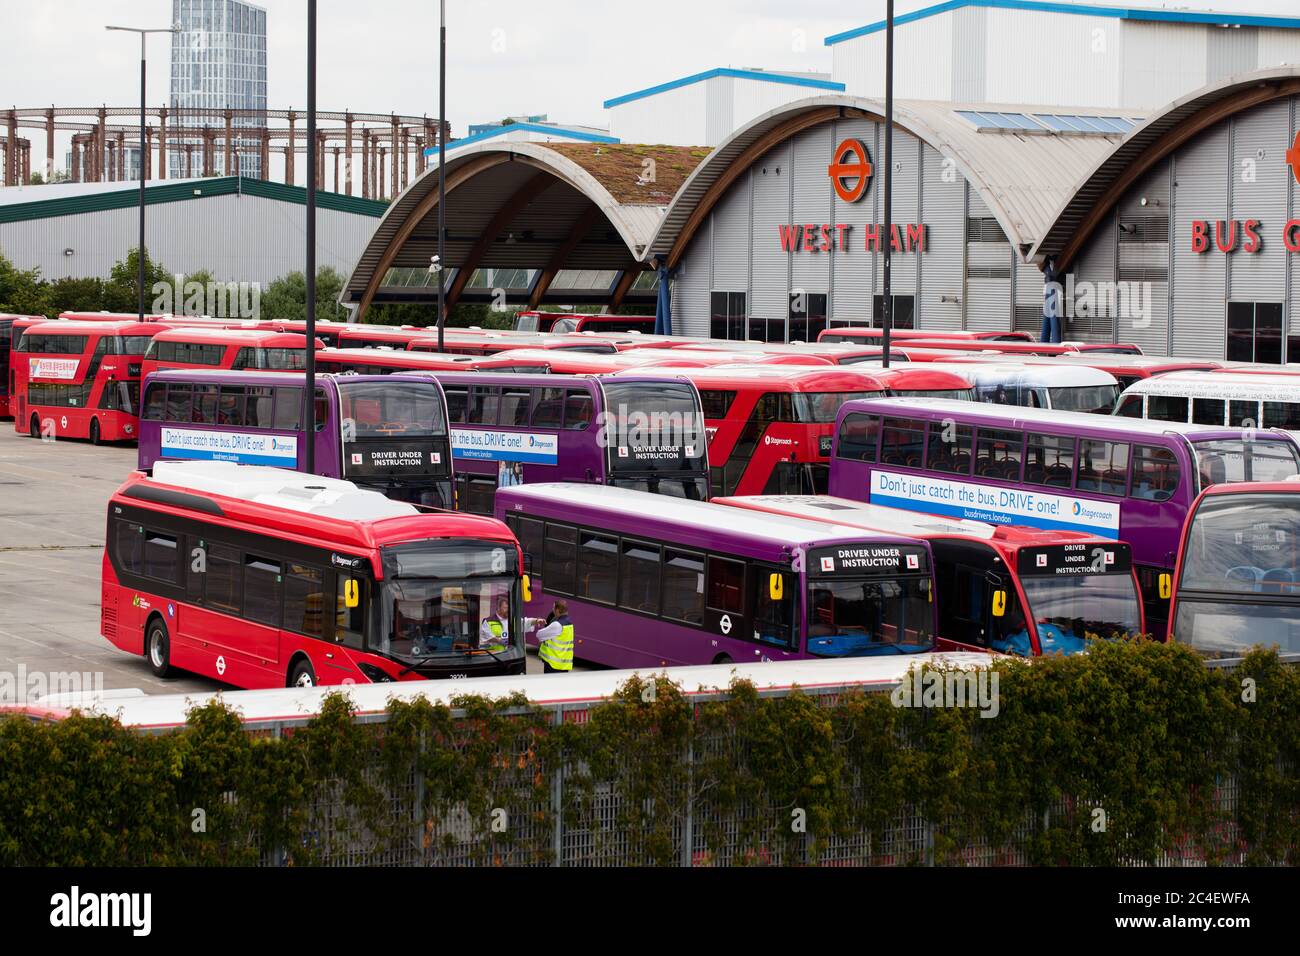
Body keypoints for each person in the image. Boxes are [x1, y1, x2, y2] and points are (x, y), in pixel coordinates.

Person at [526, 600, 573, 673]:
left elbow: (539, 634)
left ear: (557, 610)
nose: (552, 610)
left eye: (553, 608)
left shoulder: (557, 625)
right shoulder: (569, 624)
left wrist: (546, 627)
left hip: (553, 666)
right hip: (563, 665)